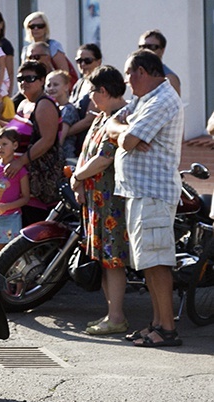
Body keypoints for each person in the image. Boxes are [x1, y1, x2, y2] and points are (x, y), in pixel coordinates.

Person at [106, 49, 184, 347]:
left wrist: (125, 135)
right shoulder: (144, 99)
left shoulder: (162, 99)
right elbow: (113, 124)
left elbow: (125, 140)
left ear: (142, 71)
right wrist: (126, 132)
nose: (126, 80)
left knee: (157, 263)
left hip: (153, 193)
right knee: (148, 262)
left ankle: (166, 328)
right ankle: (156, 323)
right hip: (140, 193)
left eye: (129, 73)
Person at [70, 65, 130, 335]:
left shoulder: (121, 116)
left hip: (112, 202)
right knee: (104, 260)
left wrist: (77, 177)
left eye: (93, 90)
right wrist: (79, 180)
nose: (91, 96)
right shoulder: (101, 116)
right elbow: (88, 152)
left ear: (103, 91)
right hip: (96, 200)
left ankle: (116, 316)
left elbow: (104, 158)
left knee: (113, 259)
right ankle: (111, 314)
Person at [4, 61, 64, 226]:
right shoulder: (23, 103)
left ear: (42, 80)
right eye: (20, 78)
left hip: (41, 179)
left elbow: (47, 140)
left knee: (38, 230)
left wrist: (20, 162)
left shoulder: (44, 104)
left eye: (30, 78)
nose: (24, 82)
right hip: (23, 179)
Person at [0, 128, 30, 261]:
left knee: (14, 253)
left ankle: (19, 282)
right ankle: (4, 281)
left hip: (12, 217)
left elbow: (25, 198)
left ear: (14, 145)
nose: (0, 148)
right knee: (0, 253)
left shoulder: (20, 171)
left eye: (4, 144)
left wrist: (7, 207)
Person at [68, 43, 103, 156]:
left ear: (98, 61)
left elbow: (90, 119)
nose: (83, 64)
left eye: (87, 61)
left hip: (91, 142)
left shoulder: (99, 84)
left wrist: (64, 133)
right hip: (76, 142)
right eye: (79, 61)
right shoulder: (79, 83)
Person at [45, 69, 80, 160]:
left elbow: (61, 136)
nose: (51, 88)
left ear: (66, 86)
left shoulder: (68, 109)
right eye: (49, 85)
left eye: (55, 85)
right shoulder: (53, 108)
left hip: (64, 157)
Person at [138, 29, 180, 96]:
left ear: (162, 50)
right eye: (142, 47)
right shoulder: (136, 75)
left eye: (152, 47)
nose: (146, 50)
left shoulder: (169, 78)